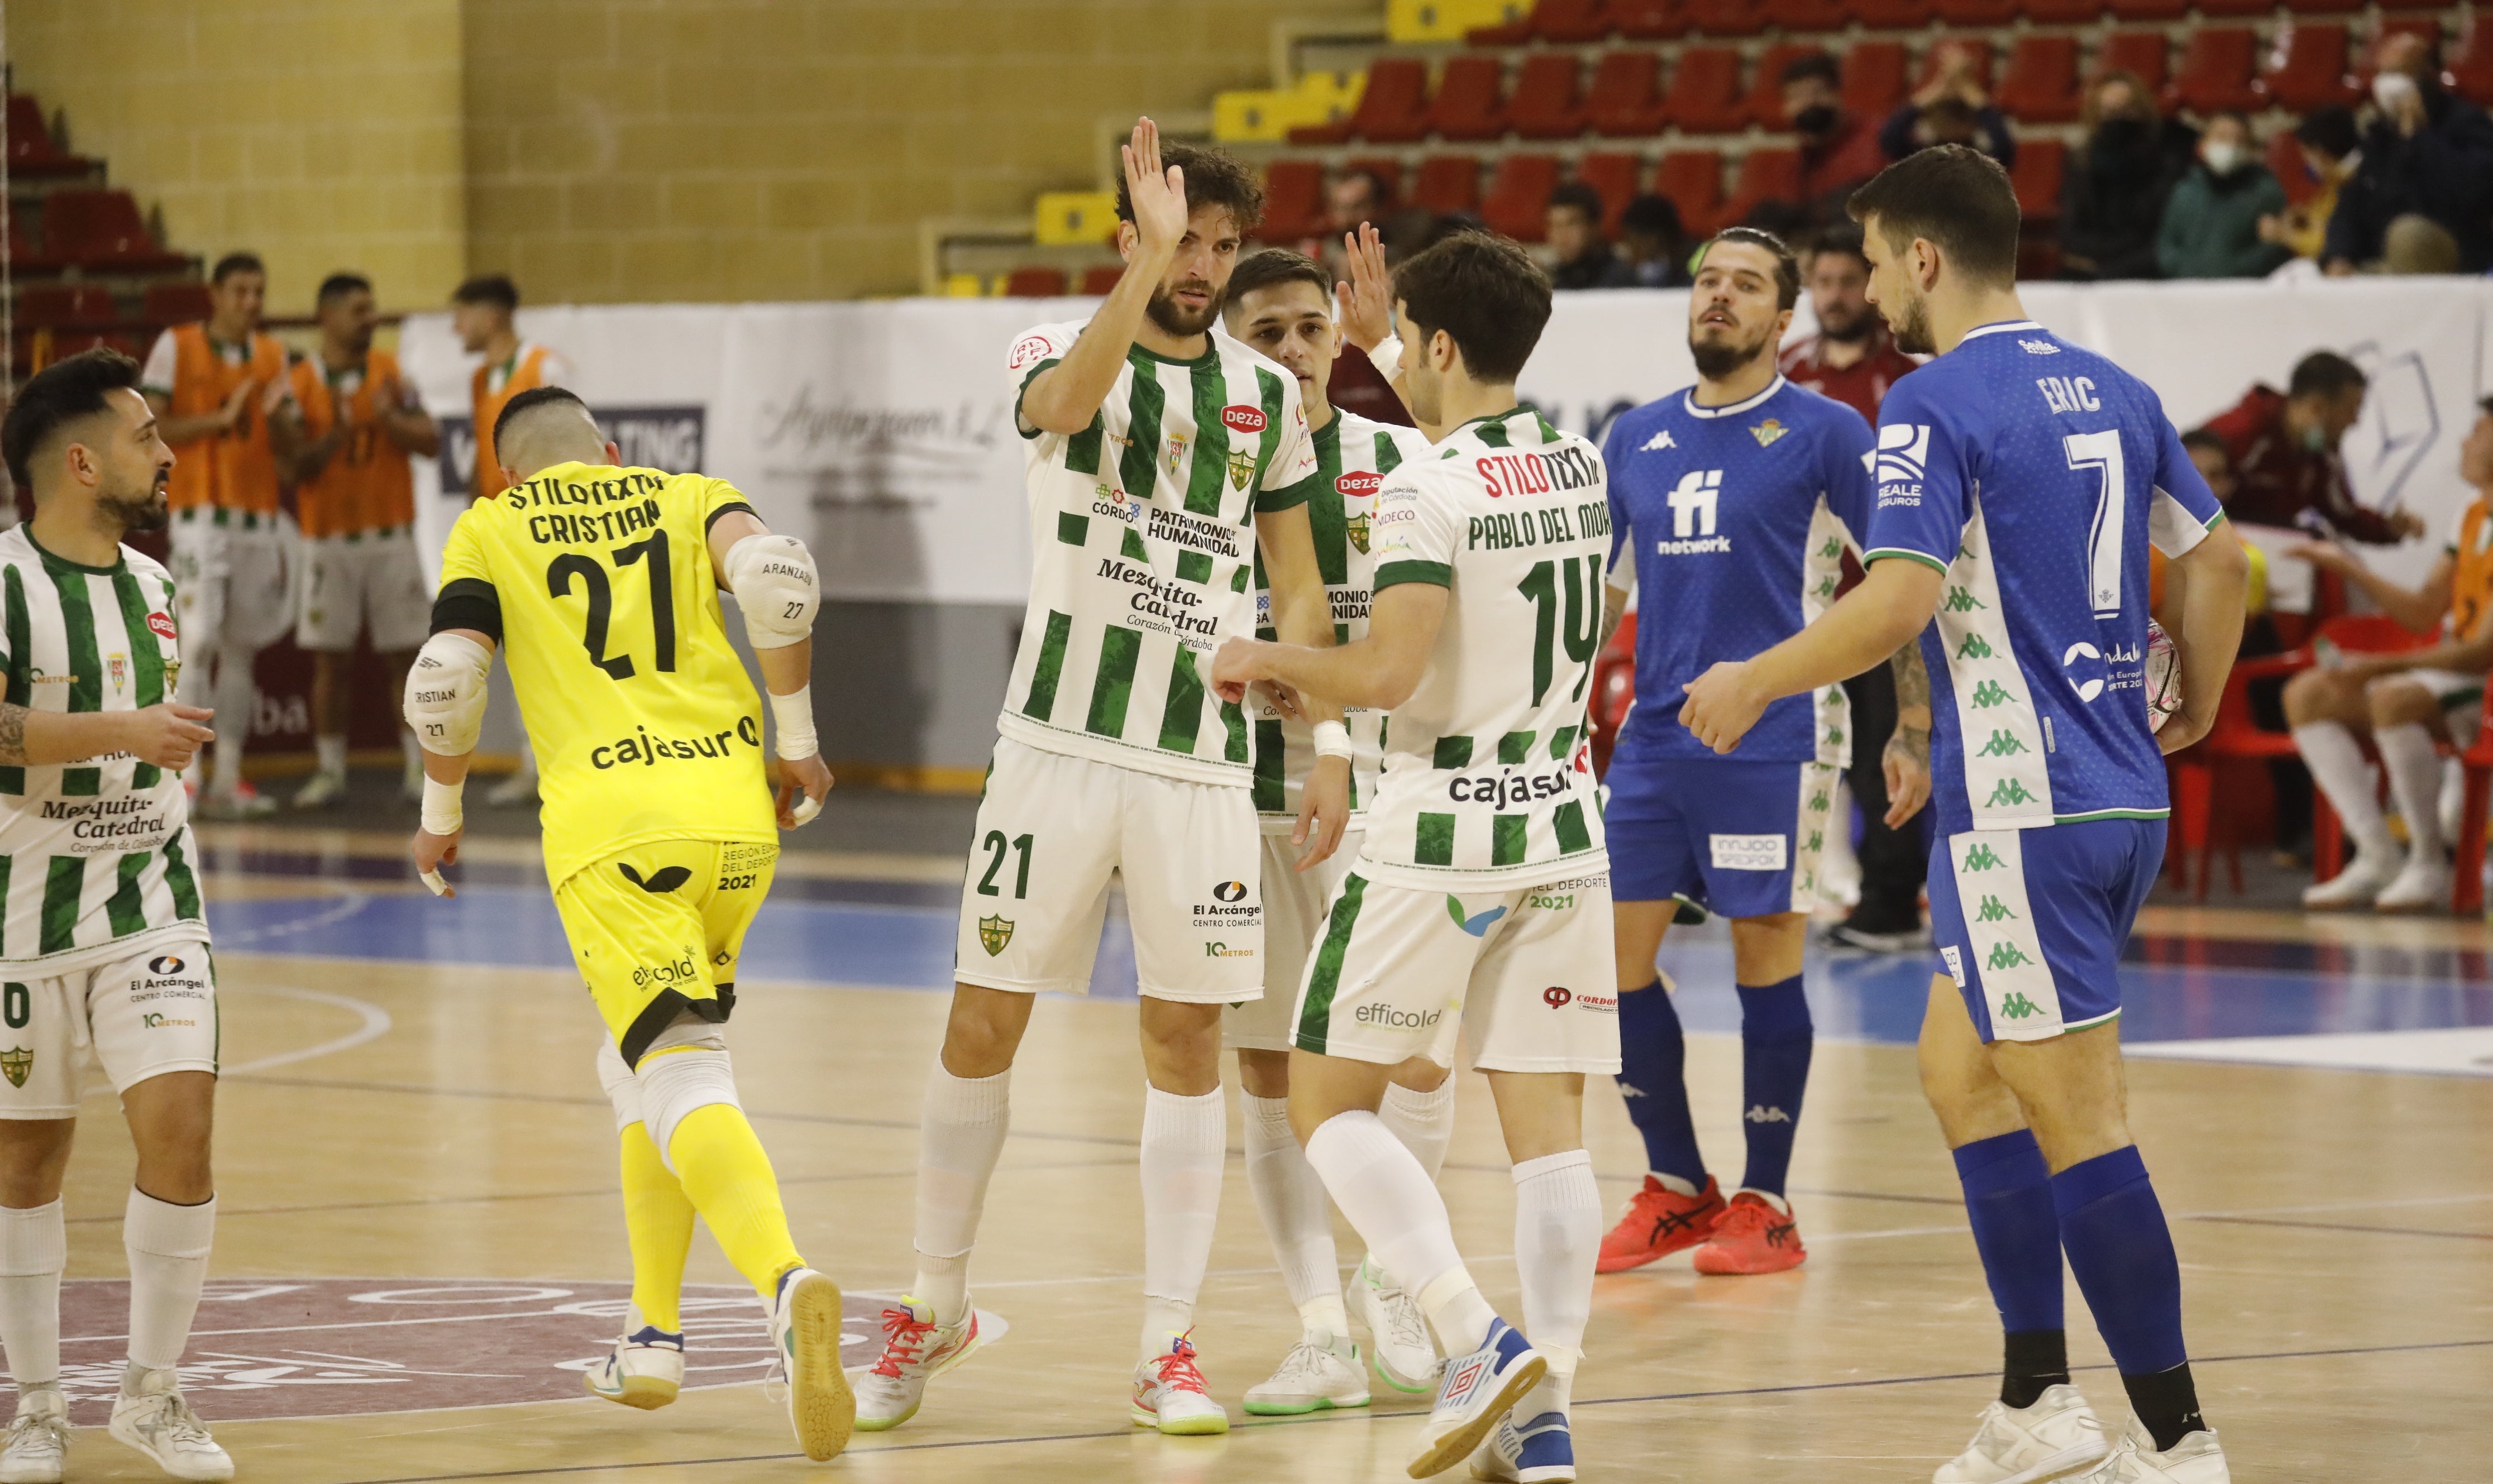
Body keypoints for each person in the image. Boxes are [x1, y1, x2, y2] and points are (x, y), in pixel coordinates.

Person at [1681, 145, 2249, 1484]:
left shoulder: (1929, 402)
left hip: (2020, 813)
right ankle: (2035, 1401)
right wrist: (2197, 709)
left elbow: (1895, 598)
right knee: (1957, 1067)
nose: (1869, 283)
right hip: (2107, 792)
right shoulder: (2115, 386)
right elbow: (2216, 556)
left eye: (1875, 259)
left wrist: (1753, 676)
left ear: (1921, 259)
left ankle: (2174, 1440)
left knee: (2076, 1119)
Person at [852, 121, 1339, 1439]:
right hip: (1053, 747)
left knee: (1184, 1041)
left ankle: (1163, 1343)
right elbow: (1063, 411)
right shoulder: (1054, 345)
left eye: (1222, 247)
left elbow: (1295, 569)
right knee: (980, 1020)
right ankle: (930, 1298)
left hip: (1196, 763)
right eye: (1184, 240)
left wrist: (1319, 708)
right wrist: (1137, 274)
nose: (1205, 266)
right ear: (1131, 238)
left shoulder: (1264, 395)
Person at [1209, 228, 1614, 1484]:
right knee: (1549, 1131)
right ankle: (1547, 1419)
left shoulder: (1424, 490)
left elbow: (1385, 671)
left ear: (1438, 345)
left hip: (1443, 830)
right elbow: (1471, 444)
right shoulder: (1581, 462)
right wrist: (1391, 341)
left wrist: (1267, 661)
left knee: (1327, 1101)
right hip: (1562, 817)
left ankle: (1467, 1338)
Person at [405, 385, 851, 1459]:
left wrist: (441, 810)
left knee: (681, 1067)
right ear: (609, 450)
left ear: (508, 471)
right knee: (636, 1059)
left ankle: (785, 1283)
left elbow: (448, 675)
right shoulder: (685, 491)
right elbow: (777, 582)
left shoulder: (491, 524)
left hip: (614, 831)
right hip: (735, 819)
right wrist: (797, 739)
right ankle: (651, 1335)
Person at [1592, 227, 1928, 1281]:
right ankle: (1678, 1186)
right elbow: (1599, 599)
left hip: (1775, 734)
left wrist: (1910, 726)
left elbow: (1901, 583)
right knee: (1610, 967)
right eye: (1703, 280)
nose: (1717, 298)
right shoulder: (1631, 437)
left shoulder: (1827, 431)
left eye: (1743, 285)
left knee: (1762, 958)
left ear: (1780, 317)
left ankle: (1768, 1200)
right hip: (1651, 739)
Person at [1212, 243, 1451, 1417]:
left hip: (1394, 789)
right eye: (1270, 333)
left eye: (1314, 328)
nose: (1298, 350)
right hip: (1247, 789)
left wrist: (1398, 355)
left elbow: (1492, 471)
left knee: (1412, 1050)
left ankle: (1397, 1282)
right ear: (1229, 344)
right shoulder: (1199, 470)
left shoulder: (1400, 457)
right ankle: (1319, 1332)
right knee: (1268, 1065)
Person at [0, 350, 233, 1483]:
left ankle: (150, 1395)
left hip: (151, 901)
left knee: (181, 1133)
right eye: (146, 435)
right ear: (80, 461)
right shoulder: (0, 582)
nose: (169, 451)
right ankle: (37, 1404)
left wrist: (149, 748)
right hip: (16, 917)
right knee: (28, 1162)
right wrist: (125, 732)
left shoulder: (151, 584)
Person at [1778, 222, 1931, 952]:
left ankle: (1892, 903)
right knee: (1811, 750)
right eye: (1824, 282)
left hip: (1877, 597)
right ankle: (1825, 884)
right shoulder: (1786, 367)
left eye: (1848, 281)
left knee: (1882, 748)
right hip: (1798, 599)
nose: (1836, 296)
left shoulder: (1906, 375)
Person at [2283, 399, 2493, 911]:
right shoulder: (2470, 515)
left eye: (2479, 431)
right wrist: (2347, 565)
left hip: (2485, 686)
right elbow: (2424, 612)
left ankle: (2427, 863)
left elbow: (2483, 651)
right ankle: (2378, 855)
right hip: (2465, 680)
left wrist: (2380, 666)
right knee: (2308, 694)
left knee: (2392, 697)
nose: (2465, 443)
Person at [140, 251, 300, 820]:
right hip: (202, 515)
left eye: (258, 291)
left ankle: (228, 774)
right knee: (199, 639)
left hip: (256, 515)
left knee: (242, 649)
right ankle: (185, 777)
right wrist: (221, 417)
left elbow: (285, 444)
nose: (251, 302)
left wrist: (278, 414)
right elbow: (154, 427)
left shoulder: (272, 354)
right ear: (215, 293)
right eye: (240, 291)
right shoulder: (177, 344)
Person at [286, 273, 441, 810]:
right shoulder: (301, 381)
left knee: (408, 657)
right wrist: (335, 433)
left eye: (372, 309)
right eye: (358, 309)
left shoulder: (393, 374)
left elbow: (432, 441)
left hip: (390, 536)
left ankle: (419, 771)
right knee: (330, 662)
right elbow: (290, 468)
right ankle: (330, 771)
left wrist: (388, 418)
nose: (370, 319)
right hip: (327, 540)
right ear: (326, 317)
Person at [451, 274, 571, 807]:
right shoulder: (481, 379)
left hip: (547, 530)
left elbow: (577, 446)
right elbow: (482, 460)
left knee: (558, 648)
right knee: (521, 649)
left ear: (491, 315)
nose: (457, 326)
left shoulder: (543, 366)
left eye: (463, 314)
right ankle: (533, 762)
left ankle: (562, 763)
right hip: (504, 532)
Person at [2198, 351, 2422, 545]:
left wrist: (2388, 528)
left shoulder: (2323, 454)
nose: (2355, 421)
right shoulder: (2238, 433)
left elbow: (2343, 513)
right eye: (2352, 409)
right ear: (2317, 407)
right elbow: (2181, 489)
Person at [2322, 33, 2493, 274]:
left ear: (2428, 77)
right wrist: (2339, 254)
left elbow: (2471, 192)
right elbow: (2350, 206)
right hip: (2382, 261)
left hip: (2453, 255)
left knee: (2408, 236)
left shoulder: (2466, 123)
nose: (2385, 83)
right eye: (2382, 73)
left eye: (2397, 73)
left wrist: (2420, 137)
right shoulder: (2379, 137)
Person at [2059, 72, 2192, 281]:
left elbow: (2163, 230)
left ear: (2143, 112)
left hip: (2148, 266)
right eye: (2109, 111)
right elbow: (2072, 230)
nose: (2118, 120)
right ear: (2095, 114)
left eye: (2126, 110)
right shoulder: (2082, 163)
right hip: (2097, 263)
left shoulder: (2166, 160)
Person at [2156, 111, 2291, 280]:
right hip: (2187, 288)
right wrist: (2186, 271)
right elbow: (2167, 244)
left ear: (2250, 150)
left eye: (2239, 141)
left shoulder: (2266, 193)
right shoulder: (2184, 191)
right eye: (2221, 137)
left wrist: (2231, 273)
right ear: (2202, 145)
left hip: (2241, 291)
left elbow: (2273, 246)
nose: (2231, 146)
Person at [1783, 52, 1890, 222]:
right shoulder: (1800, 161)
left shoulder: (1877, 137)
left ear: (1837, 95)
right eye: (1797, 96)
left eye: (1818, 92)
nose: (1809, 102)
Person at [1880, 43, 2016, 169]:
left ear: (1975, 121)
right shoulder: (1920, 159)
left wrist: (1968, 90)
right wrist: (1939, 88)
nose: (1953, 125)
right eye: (1944, 113)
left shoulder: (1982, 163)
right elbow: (1891, 138)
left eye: (1961, 115)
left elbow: (2004, 148)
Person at [2260, 107, 2360, 262]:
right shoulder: (2333, 183)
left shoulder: (2353, 186)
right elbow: (2318, 218)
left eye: (2306, 153)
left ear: (2320, 153)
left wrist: (2283, 235)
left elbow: (2327, 245)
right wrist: (2303, 217)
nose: (2306, 161)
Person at [1545, 182, 1625, 290]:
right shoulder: (1553, 279)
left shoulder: (1621, 278)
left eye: (1572, 224)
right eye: (1556, 225)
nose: (1562, 235)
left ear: (1595, 227)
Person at [1613, 194, 1691, 288]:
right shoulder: (1617, 275)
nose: (1626, 246)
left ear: (1653, 240)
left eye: (1629, 239)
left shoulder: (1689, 275)